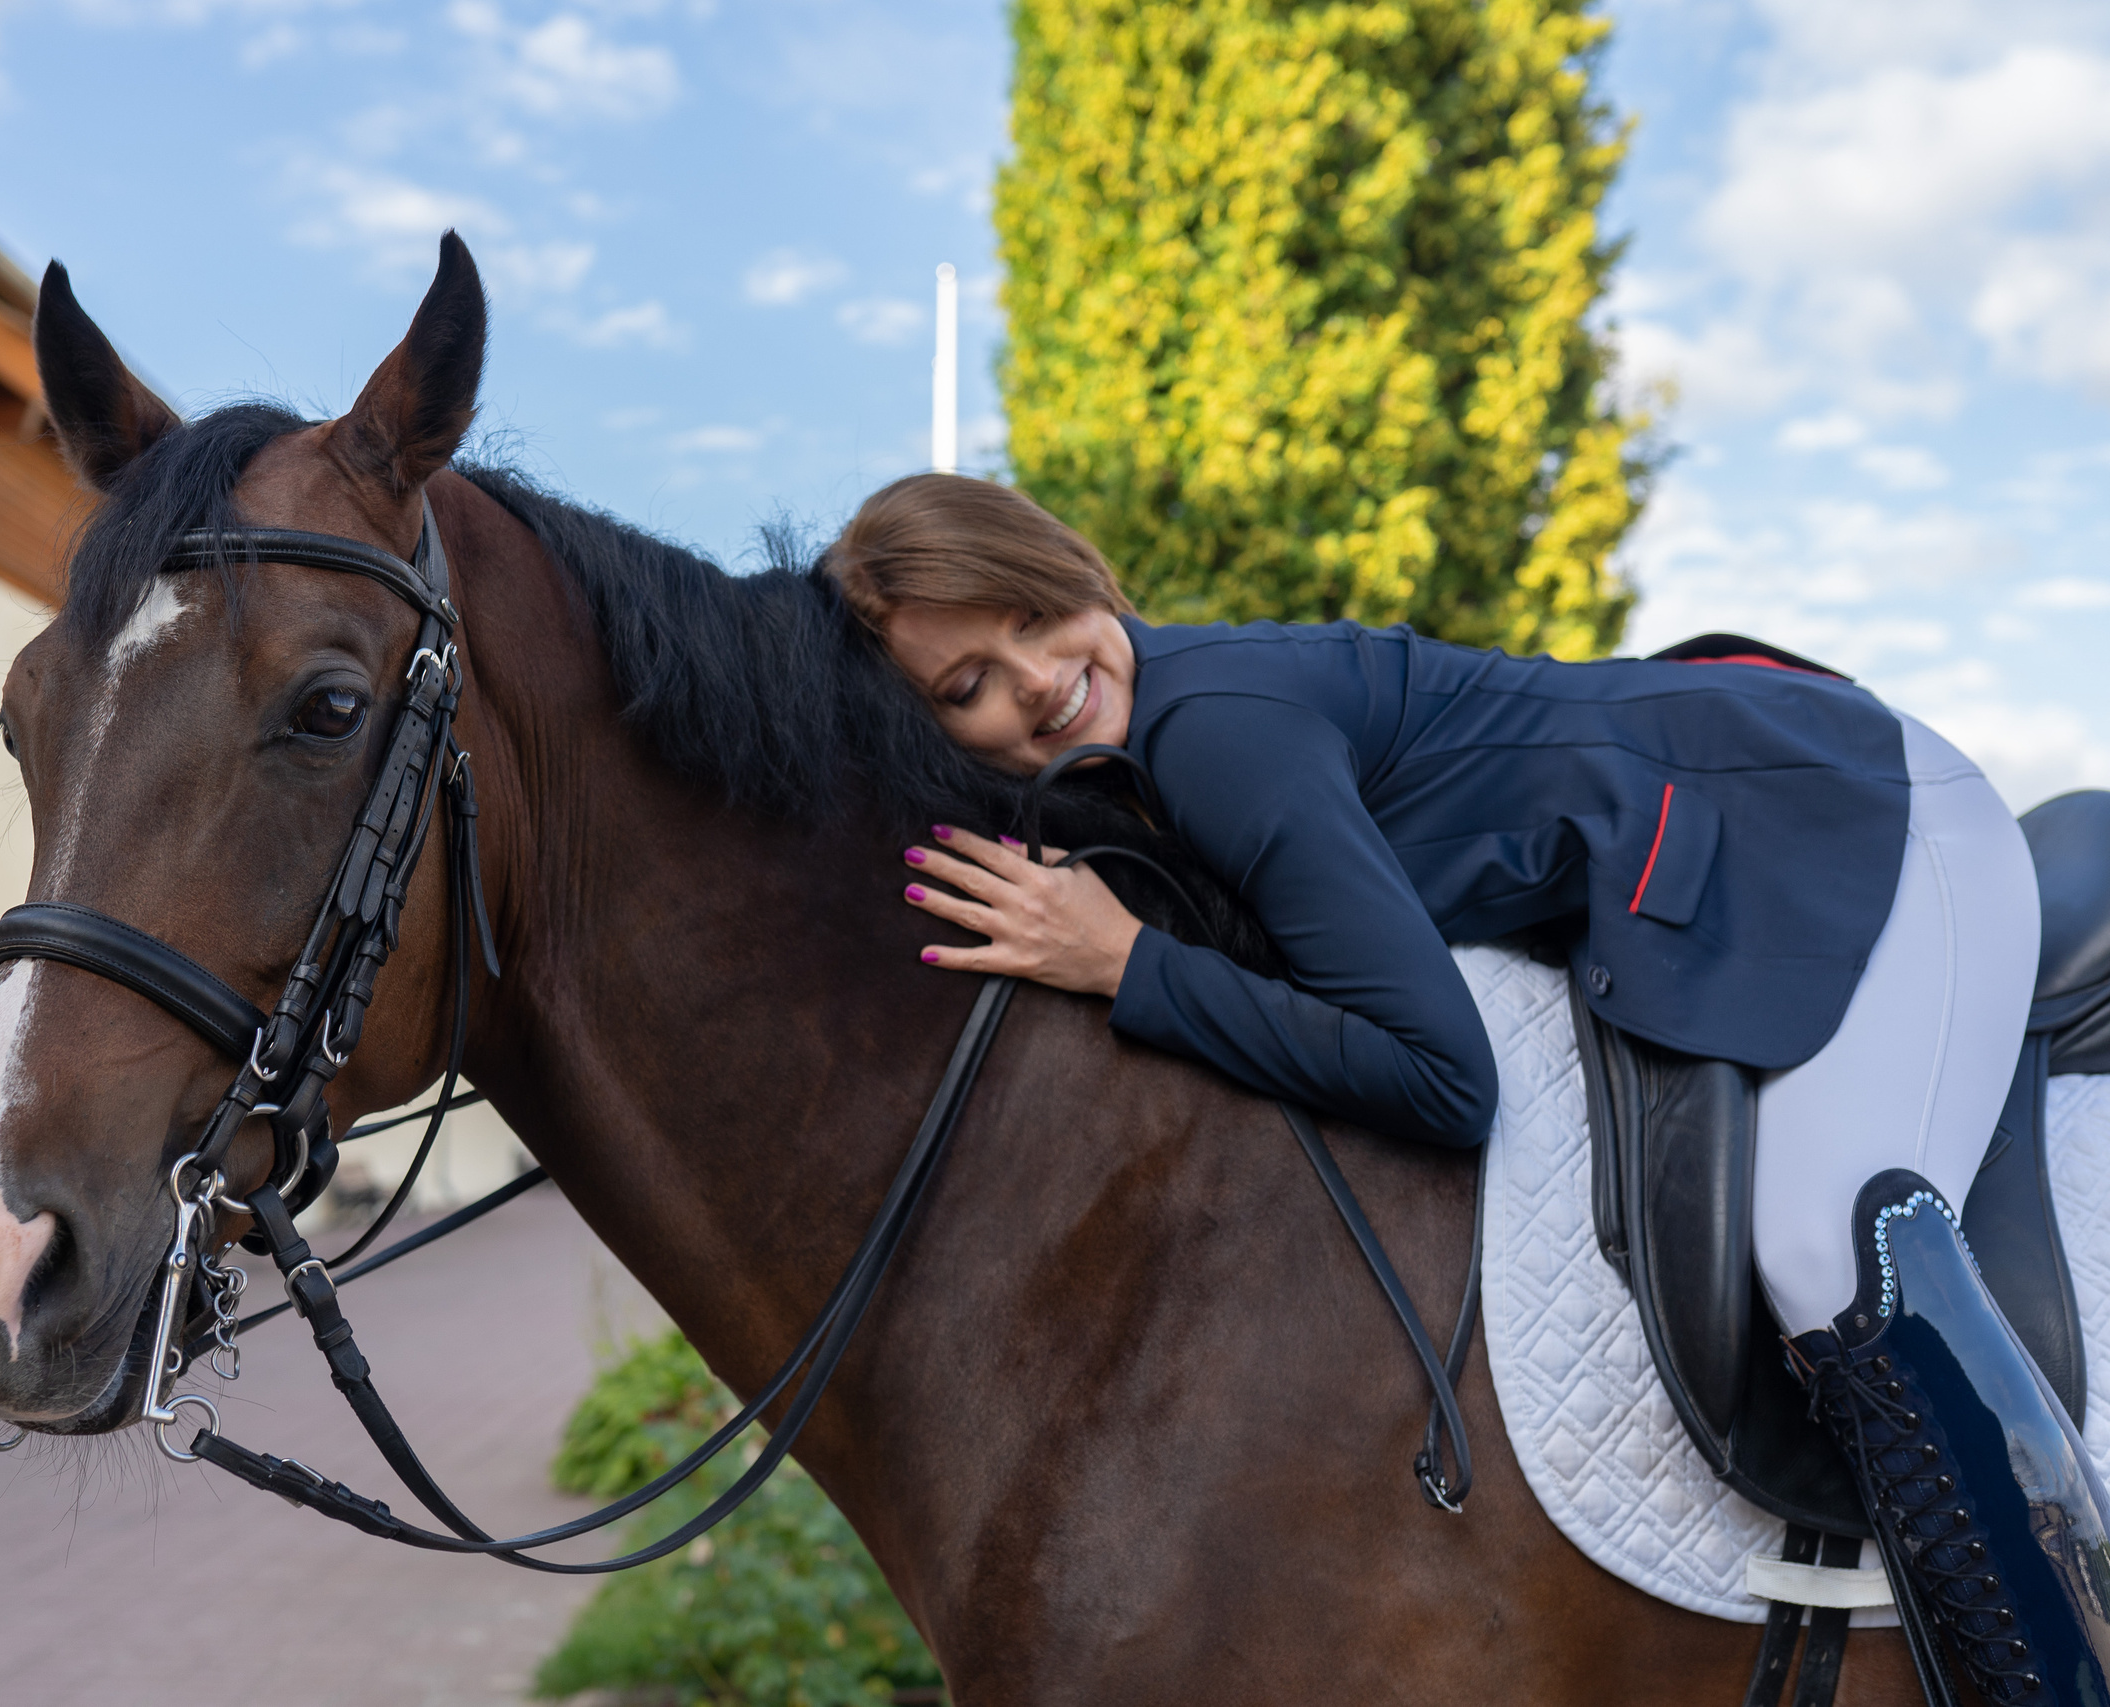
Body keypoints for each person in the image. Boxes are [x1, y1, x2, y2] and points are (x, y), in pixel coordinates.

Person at [825, 471, 2110, 1704]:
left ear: (1081, 577)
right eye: (970, 686)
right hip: (1752, 824)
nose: (1041, 682)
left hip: (1859, 815)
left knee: (1826, 1244)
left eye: (1038, 617)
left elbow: (1445, 1077)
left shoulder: (1214, 731)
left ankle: (2067, 1661)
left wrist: (1126, 964)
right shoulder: (1153, 747)